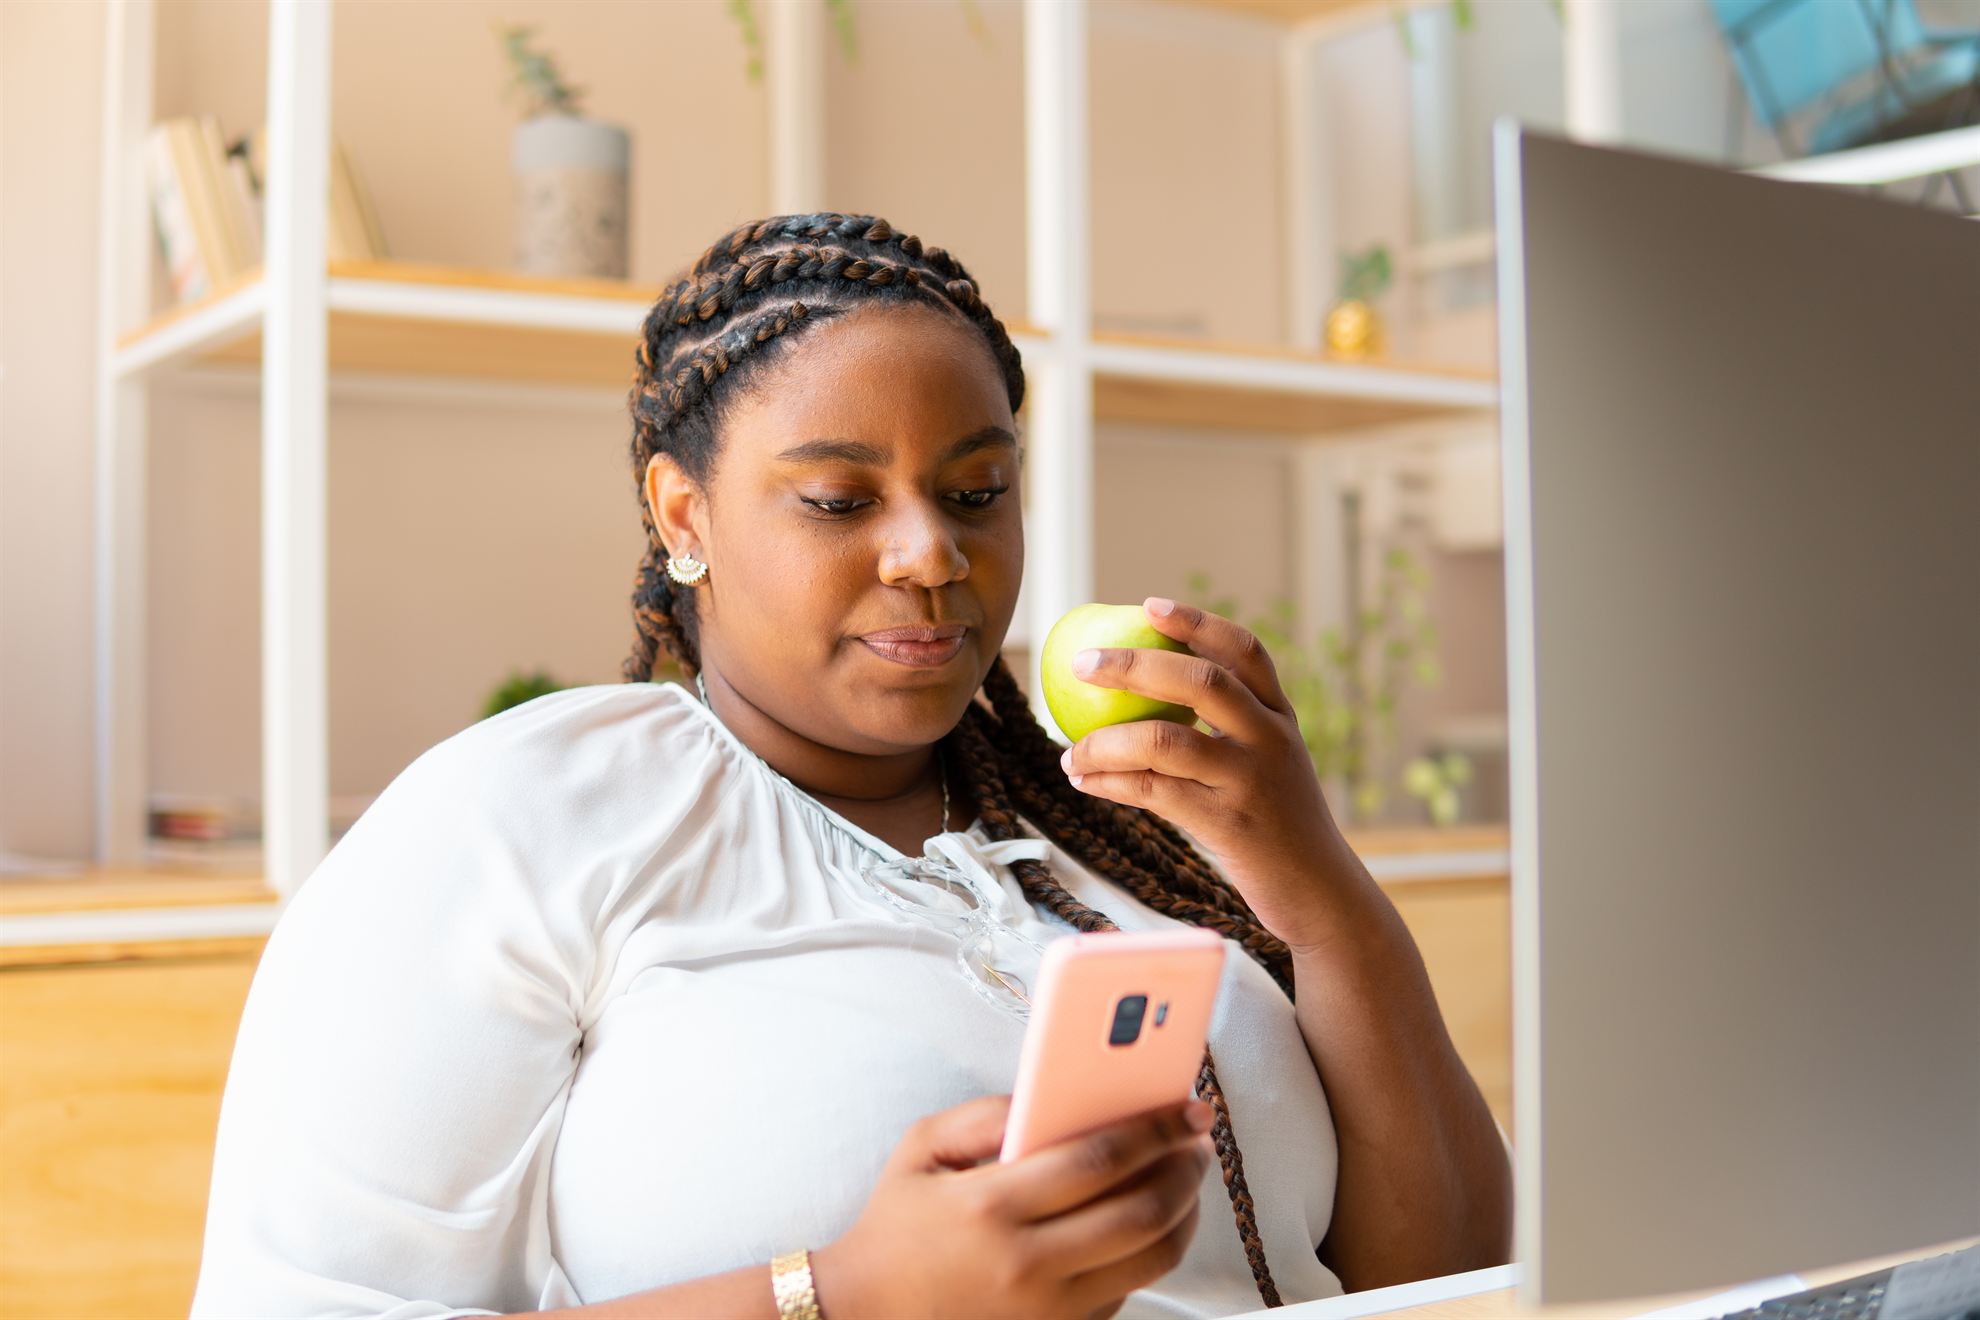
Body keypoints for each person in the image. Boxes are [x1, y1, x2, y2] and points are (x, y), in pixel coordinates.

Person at [189, 213, 1510, 1320]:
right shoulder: (519, 822)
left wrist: (1314, 880)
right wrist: (844, 1291)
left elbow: (1456, 1281)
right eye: (838, 500)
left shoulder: (1110, 829)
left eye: (979, 492)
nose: (931, 553)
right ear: (684, 514)